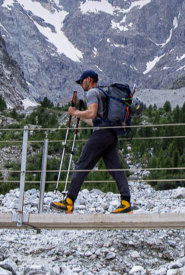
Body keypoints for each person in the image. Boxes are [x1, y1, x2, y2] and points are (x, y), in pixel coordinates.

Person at [51, 70, 132, 214]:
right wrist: (80, 117)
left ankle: (69, 202)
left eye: (82, 81)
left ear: (89, 79)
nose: (81, 84)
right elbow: (96, 120)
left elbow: (92, 113)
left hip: (100, 135)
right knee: (115, 168)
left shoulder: (92, 93)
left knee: (82, 164)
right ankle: (126, 202)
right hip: (110, 135)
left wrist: (75, 113)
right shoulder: (102, 93)